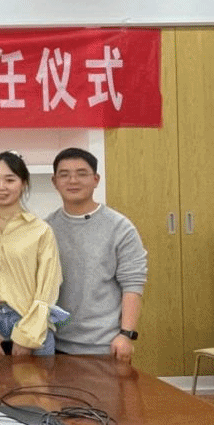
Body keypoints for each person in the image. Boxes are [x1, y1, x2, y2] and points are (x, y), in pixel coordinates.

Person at [47, 147, 147, 362]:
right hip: (55, 342)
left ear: (96, 179)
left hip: (105, 345)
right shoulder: (46, 228)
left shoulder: (120, 228)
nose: (73, 180)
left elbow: (133, 283)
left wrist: (126, 334)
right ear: (54, 182)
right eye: (64, 174)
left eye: (81, 173)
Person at [0, 151, 62, 357]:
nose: (1, 187)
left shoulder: (40, 230)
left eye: (10, 180)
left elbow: (48, 289)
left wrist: (27, 336)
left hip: (31, 323)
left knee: (37, 379)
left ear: (23, 183)